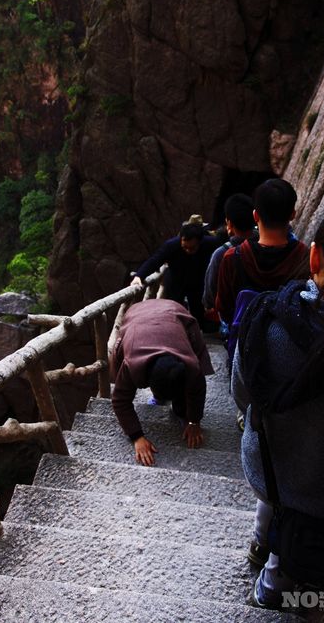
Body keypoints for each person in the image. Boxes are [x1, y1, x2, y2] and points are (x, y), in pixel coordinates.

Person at [232, 201, 324, 610]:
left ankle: (268, 564)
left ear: (314, 257)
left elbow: (243, 393)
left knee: (276, 513)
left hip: (274, 471)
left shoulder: (268, 323)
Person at [110, 299, 214, 466]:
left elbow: (197, 389)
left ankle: (179, 407)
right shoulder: (132, 363)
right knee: (130, 382)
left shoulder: (190, 364)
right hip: (137, 317)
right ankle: (161, 397)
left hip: (174, 312)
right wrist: (136, 437)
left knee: (182, 407)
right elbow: (120, 400)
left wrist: (193, 421)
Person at [215, 179, 308, 326]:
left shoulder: (232, 257)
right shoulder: (305, 258)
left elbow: (224, 309)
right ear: (292, 214)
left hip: (245, 343)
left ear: (255, 216)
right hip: (290, 344)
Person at [131, 220, 219, 329]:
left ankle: (200, 327)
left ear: (200, 242)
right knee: (173, 310)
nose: (187, 250)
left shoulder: (210, 244)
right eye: (184, 247)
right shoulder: (172, 245)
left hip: (197, 281)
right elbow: (155, 261)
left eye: (192, 248)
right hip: (175, 281)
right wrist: (139, 276)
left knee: (198, 309)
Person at [202, 193, 256, 321]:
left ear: (229, 223)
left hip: (234, 319)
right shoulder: (265, 245)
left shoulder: (221, 254)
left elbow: (209, 296)